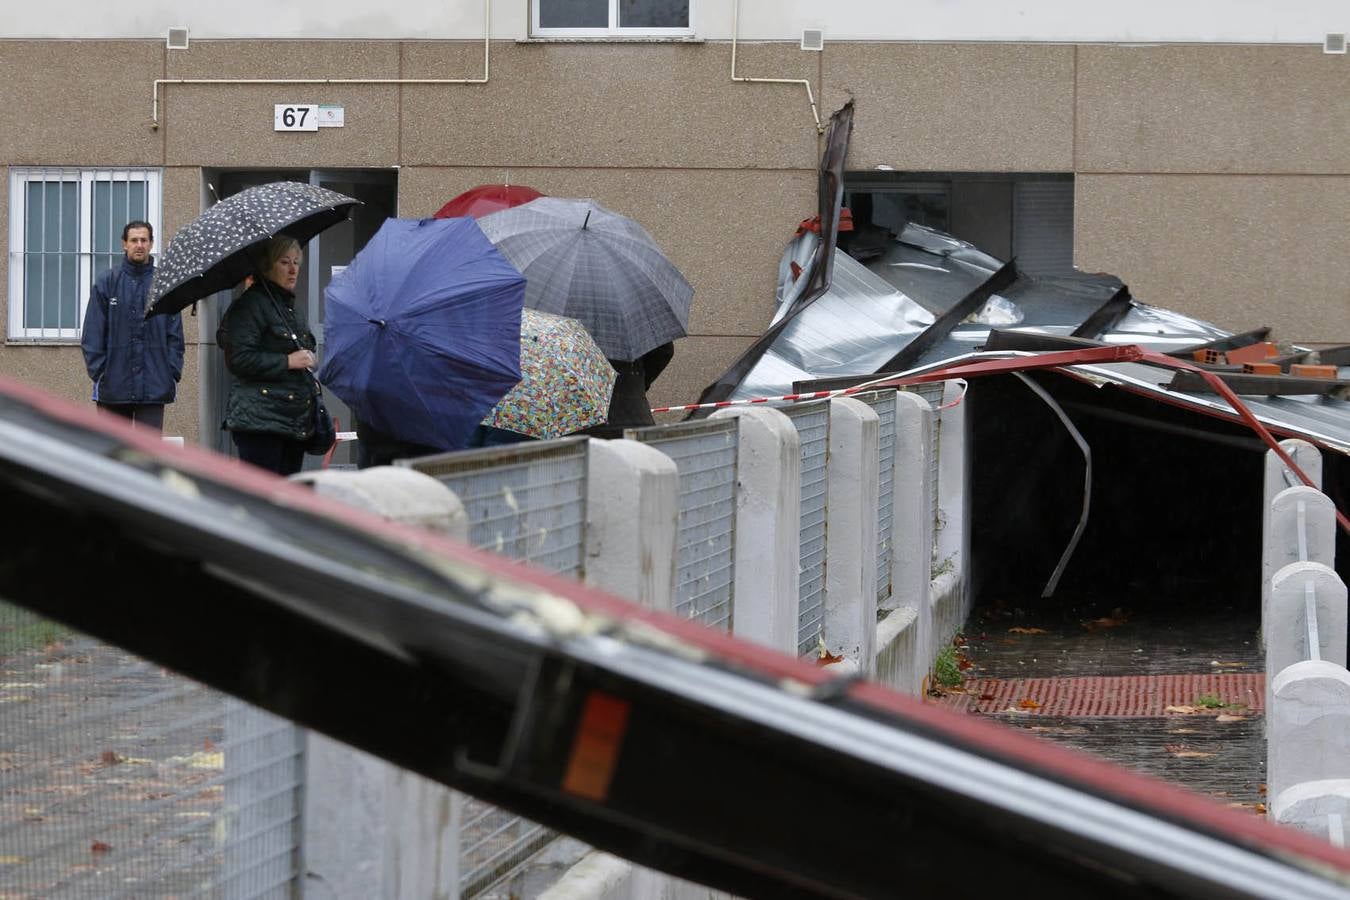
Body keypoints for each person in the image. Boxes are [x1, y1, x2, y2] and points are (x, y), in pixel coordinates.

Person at [219, 236, 318, 476]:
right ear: (267, 265)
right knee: (263, 500)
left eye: (296, 262)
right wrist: (287, 361)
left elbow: (302, 344)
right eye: (285, 262)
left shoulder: (289, 306)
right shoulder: (250, 305)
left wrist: (308, 355)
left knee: (286, 498)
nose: (293, 269)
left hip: (291, 418)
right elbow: (239, 359)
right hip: (260, 421)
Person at [80, 221, 184, 431]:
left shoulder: (163, 283)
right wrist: (101, 373)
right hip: (114, 386)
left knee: (150, 454)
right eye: (134, 240)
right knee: (115, 453)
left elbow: (175, 335)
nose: (139, 245)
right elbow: (93, 333)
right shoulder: (107, 282)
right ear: (124, 244)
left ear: (151, 243)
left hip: (154, 386)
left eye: (144, 240)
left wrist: (171, 371)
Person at [580, 341, 675, 439]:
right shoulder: (632, 328)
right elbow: (664, 350)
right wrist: (639, 385)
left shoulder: (568, 330)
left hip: (584, 427)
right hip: (634, 418)